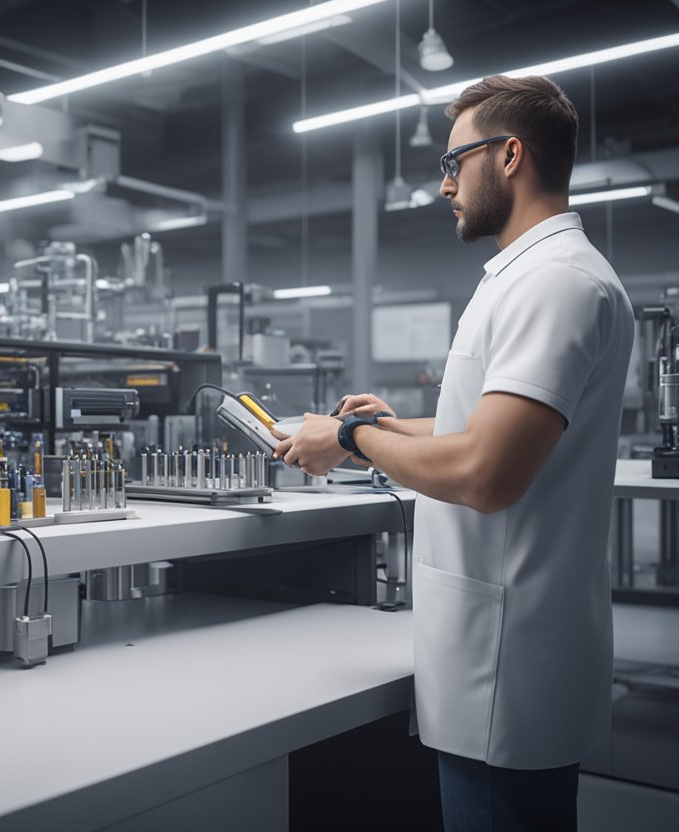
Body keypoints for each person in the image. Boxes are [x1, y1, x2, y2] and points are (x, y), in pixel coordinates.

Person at [271, 75, 633, 832]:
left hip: (510, 658)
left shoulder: (556, 284)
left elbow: (485, 473)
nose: (443, 186)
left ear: (509, 155)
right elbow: (488, 429)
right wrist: (393, 424)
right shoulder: (531, 276)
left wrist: (348, 440)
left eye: (453, 162)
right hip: (501, 647)